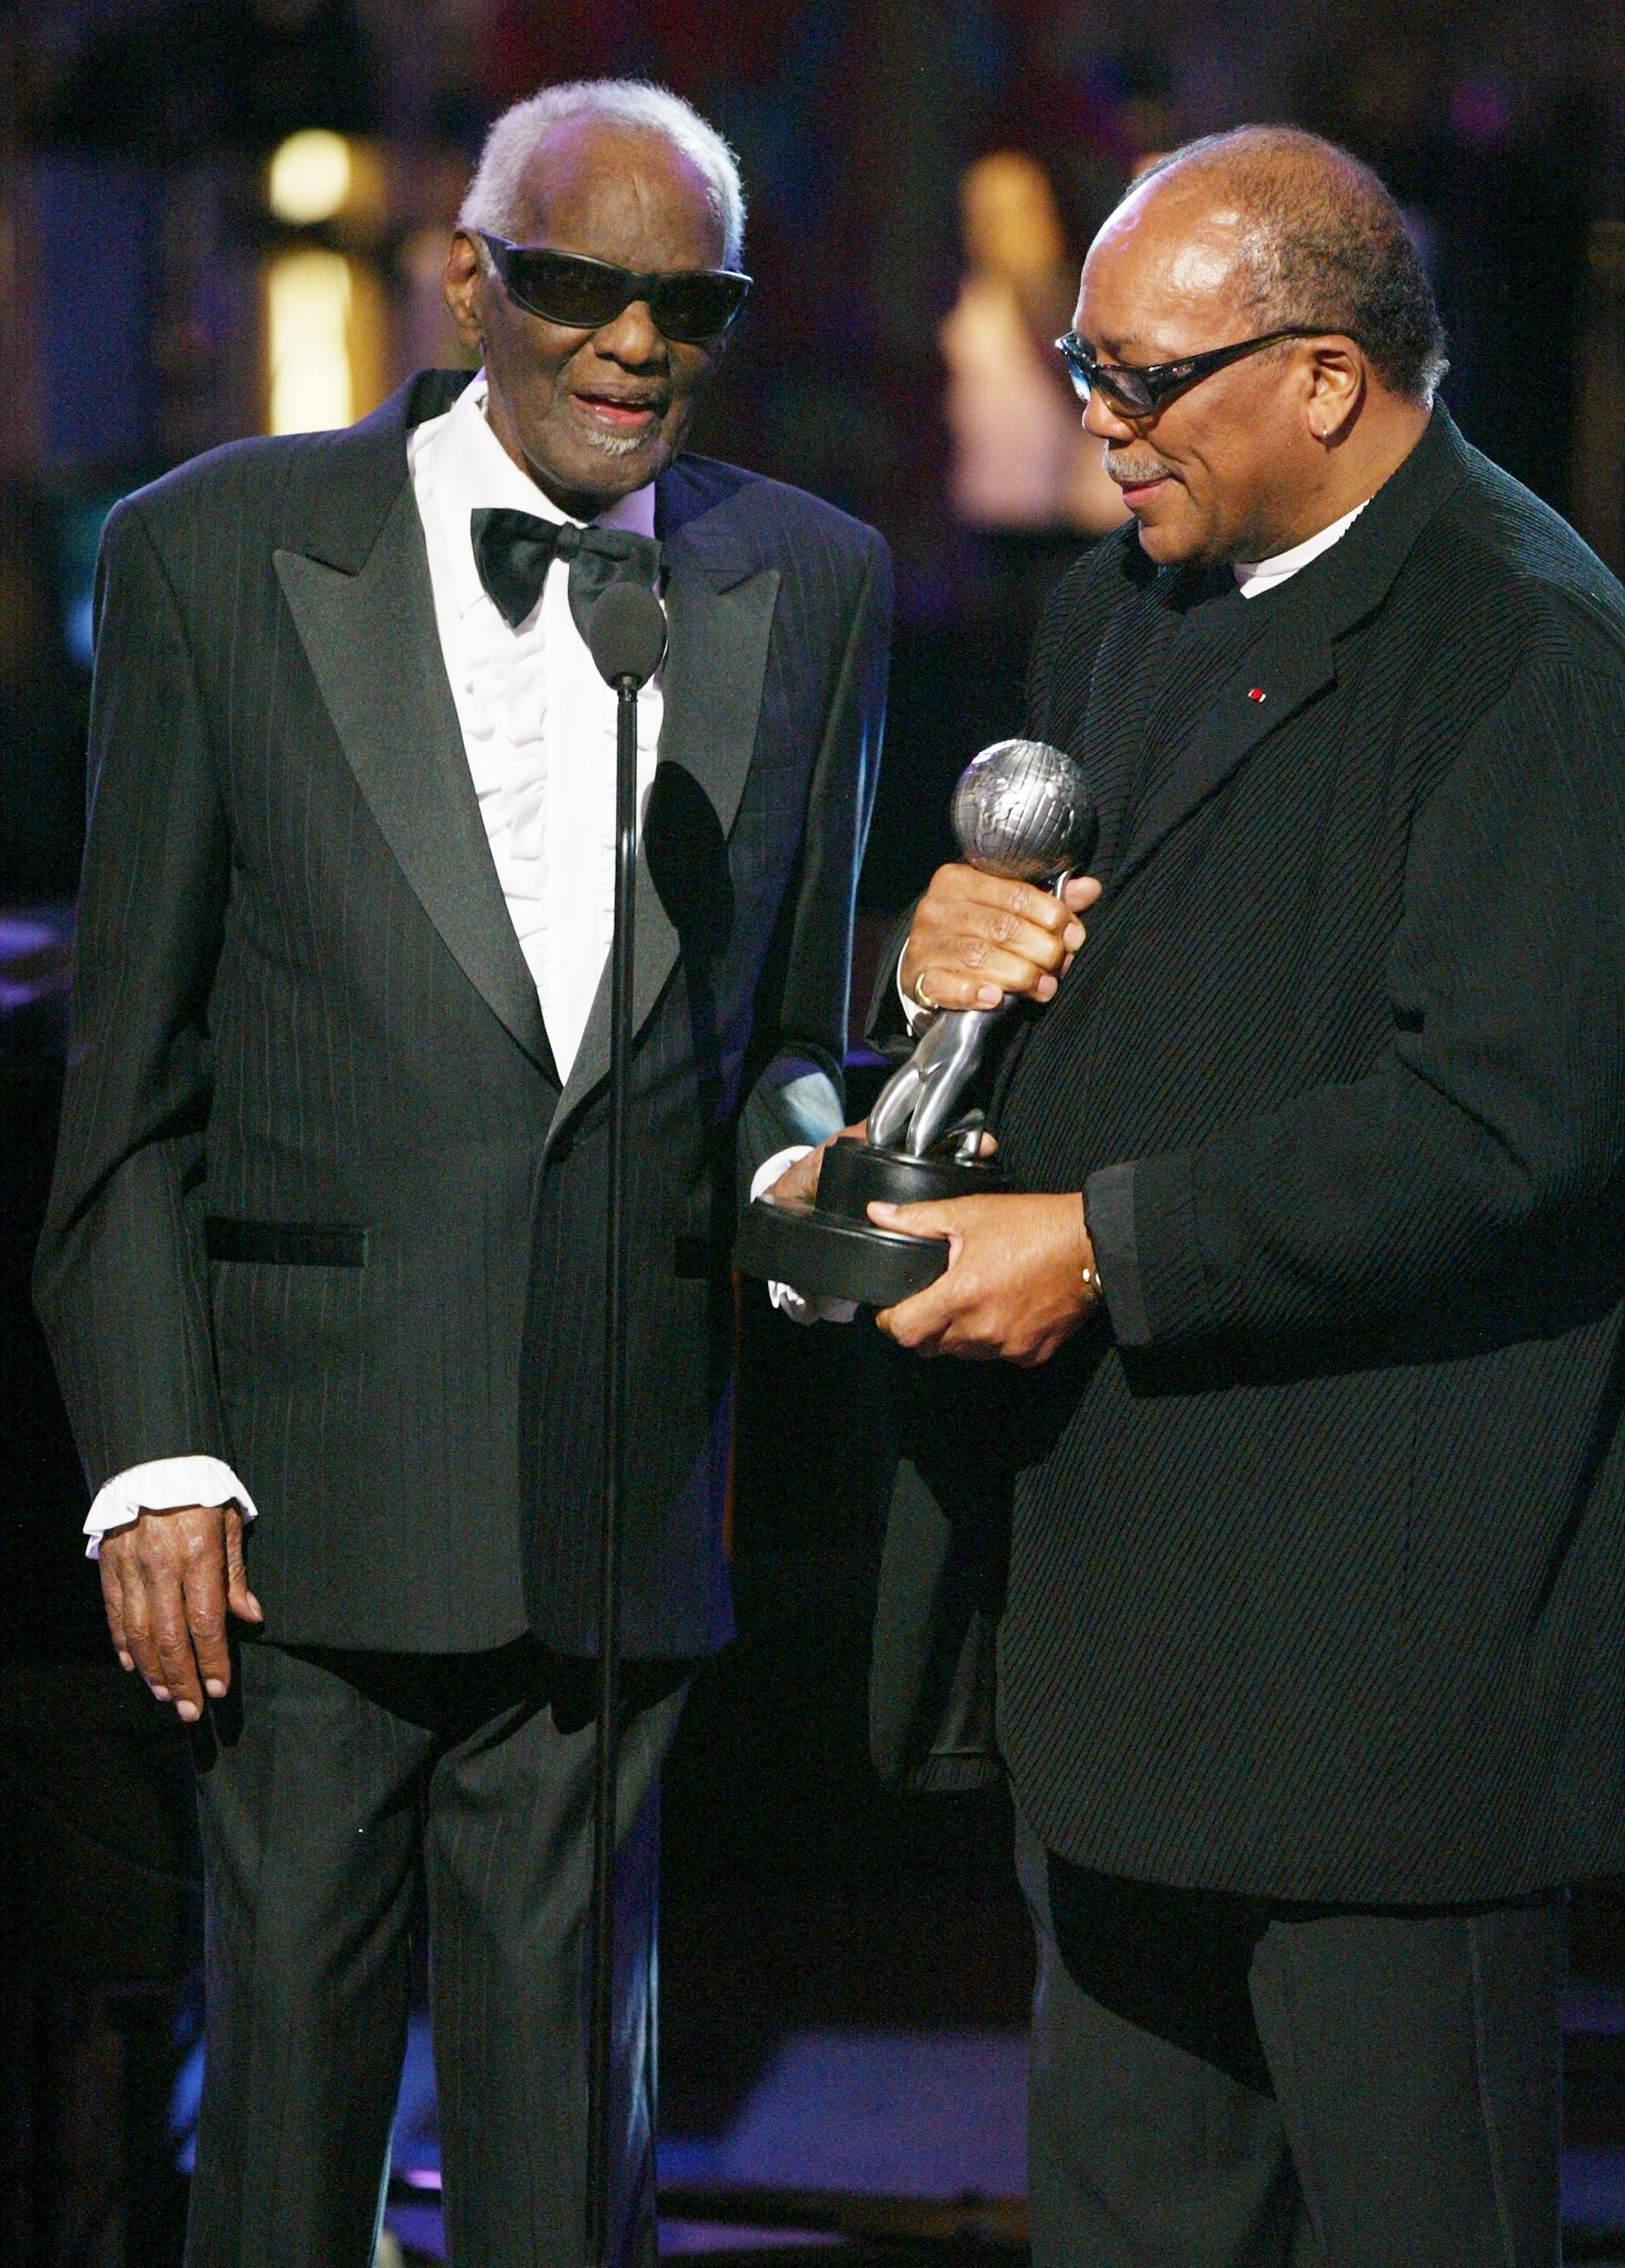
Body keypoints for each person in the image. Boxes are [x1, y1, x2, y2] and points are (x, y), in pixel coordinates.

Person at [35, 78, 889, 2268]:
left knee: (565, 2151)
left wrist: (827, 1194)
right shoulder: (215, 551)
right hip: (298, 1504)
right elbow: (126, 1083)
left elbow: (784, 1043)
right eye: (584, 288)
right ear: (472, 279)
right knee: (288, 2127)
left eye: (686, 303)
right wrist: (155, 1463)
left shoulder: (813, 583)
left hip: (615, 1488)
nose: (633, 344)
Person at [775, 124, 1625, 2266]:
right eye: (1087, 359)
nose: (1091, 414)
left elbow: (1506, 1122)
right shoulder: (1116, 612)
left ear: (1326, 378)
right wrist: (933, 961)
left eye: (1140, 374)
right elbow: (1086, 990)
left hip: (1378, 1680)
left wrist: (1097, 1245)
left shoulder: (1531, 647)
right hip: (1124, 1638)